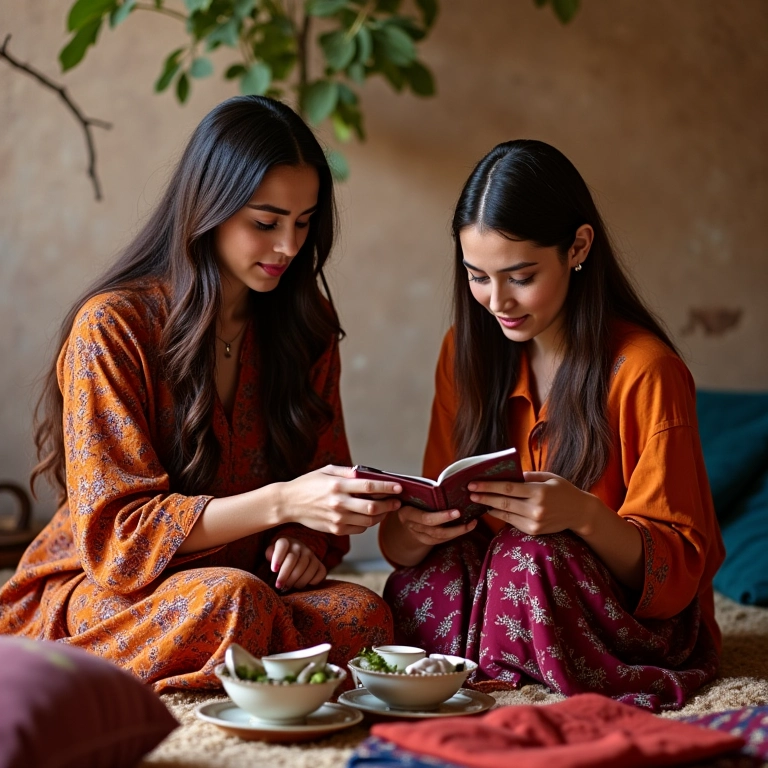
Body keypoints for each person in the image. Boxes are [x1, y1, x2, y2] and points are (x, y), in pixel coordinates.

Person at [0, 96, 403, 691]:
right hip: (110, 591)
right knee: (232, 604)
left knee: (364, 616)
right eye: (265, 223)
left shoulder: (306, 324)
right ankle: (244, 659)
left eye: (304, 221)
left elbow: (319, 477)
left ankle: (248, 659)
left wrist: (301, 539)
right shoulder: (113, 327)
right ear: (207, 210)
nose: (288, 247)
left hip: (243, 581)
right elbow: (118, 541)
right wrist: (283, 504)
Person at [379, 139, 725, 712]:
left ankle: (505, 677)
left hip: (622, 614)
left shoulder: (646, 371)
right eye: (477, 276)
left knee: (530, 554)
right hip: (502, 587)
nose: (497, 302)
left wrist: (583, 518)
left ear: (578, 247)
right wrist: (415, 530)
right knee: (427, 579)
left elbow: (678, 577)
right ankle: (494, 663)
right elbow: (404, 546)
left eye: (520, 276)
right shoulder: (465, 354)